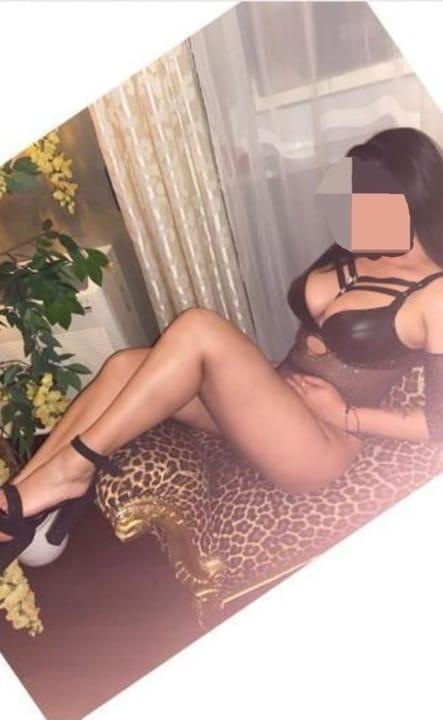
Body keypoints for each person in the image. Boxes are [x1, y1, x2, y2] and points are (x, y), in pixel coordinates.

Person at [1, 125, 443, 572]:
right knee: (124, 365)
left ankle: (71, 472)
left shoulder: (435, 293)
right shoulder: (359, 246)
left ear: (414, 197)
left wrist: (347, 416)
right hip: (274, 405)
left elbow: (439, 424)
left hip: (317, 444)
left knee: (198, 328)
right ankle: (20, 501)